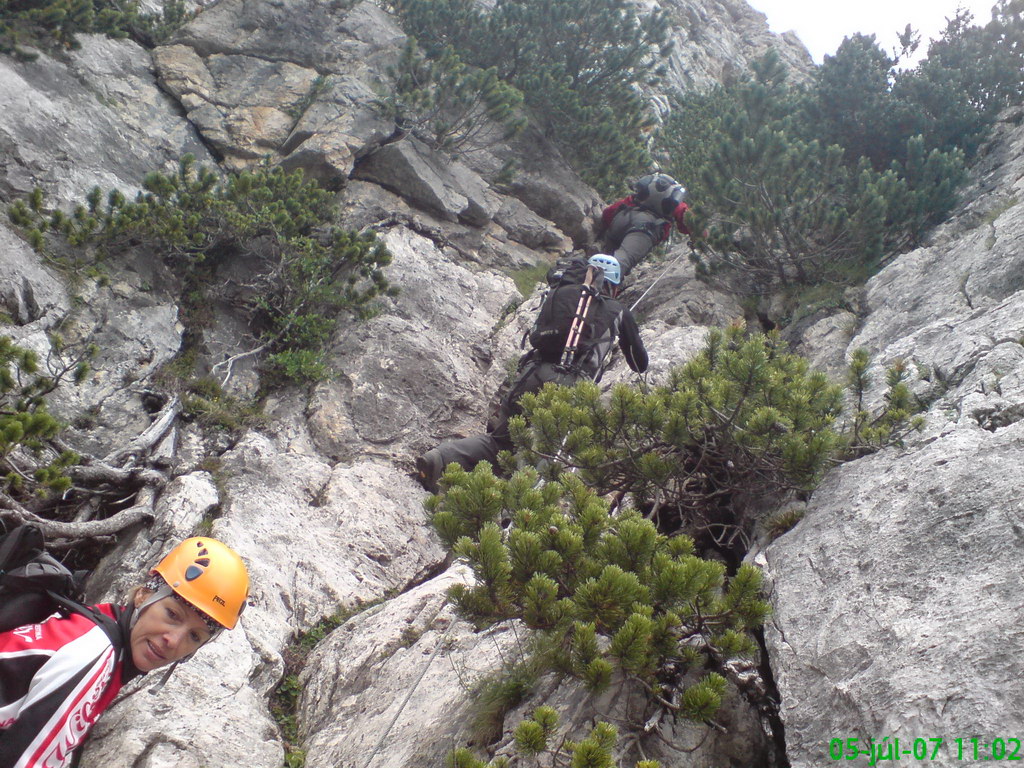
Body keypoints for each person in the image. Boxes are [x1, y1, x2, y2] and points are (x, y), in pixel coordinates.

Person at [0, 536, 250, 768]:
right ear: (143, 595)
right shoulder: (93, 655)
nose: (173, 641)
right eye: (172, 614)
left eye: (194, 636)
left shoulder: (97, 628)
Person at [415, 254, 648, 493]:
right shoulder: (618, 311)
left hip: (533, 372)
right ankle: (515, 512)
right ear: (614, 285)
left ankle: (439, 459)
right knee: (546, 455)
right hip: (571, 386)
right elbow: (640, 364)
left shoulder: (562, 294)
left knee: (502, 441)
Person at [598, 172, 693, 280]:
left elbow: (608, 213)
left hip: (623, 217)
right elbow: (690, 222)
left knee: (605, 257)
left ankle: (589, 277)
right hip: (646, 229)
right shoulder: (676, 202)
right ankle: (597, 288)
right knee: (623, 259)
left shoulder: (643, 191)